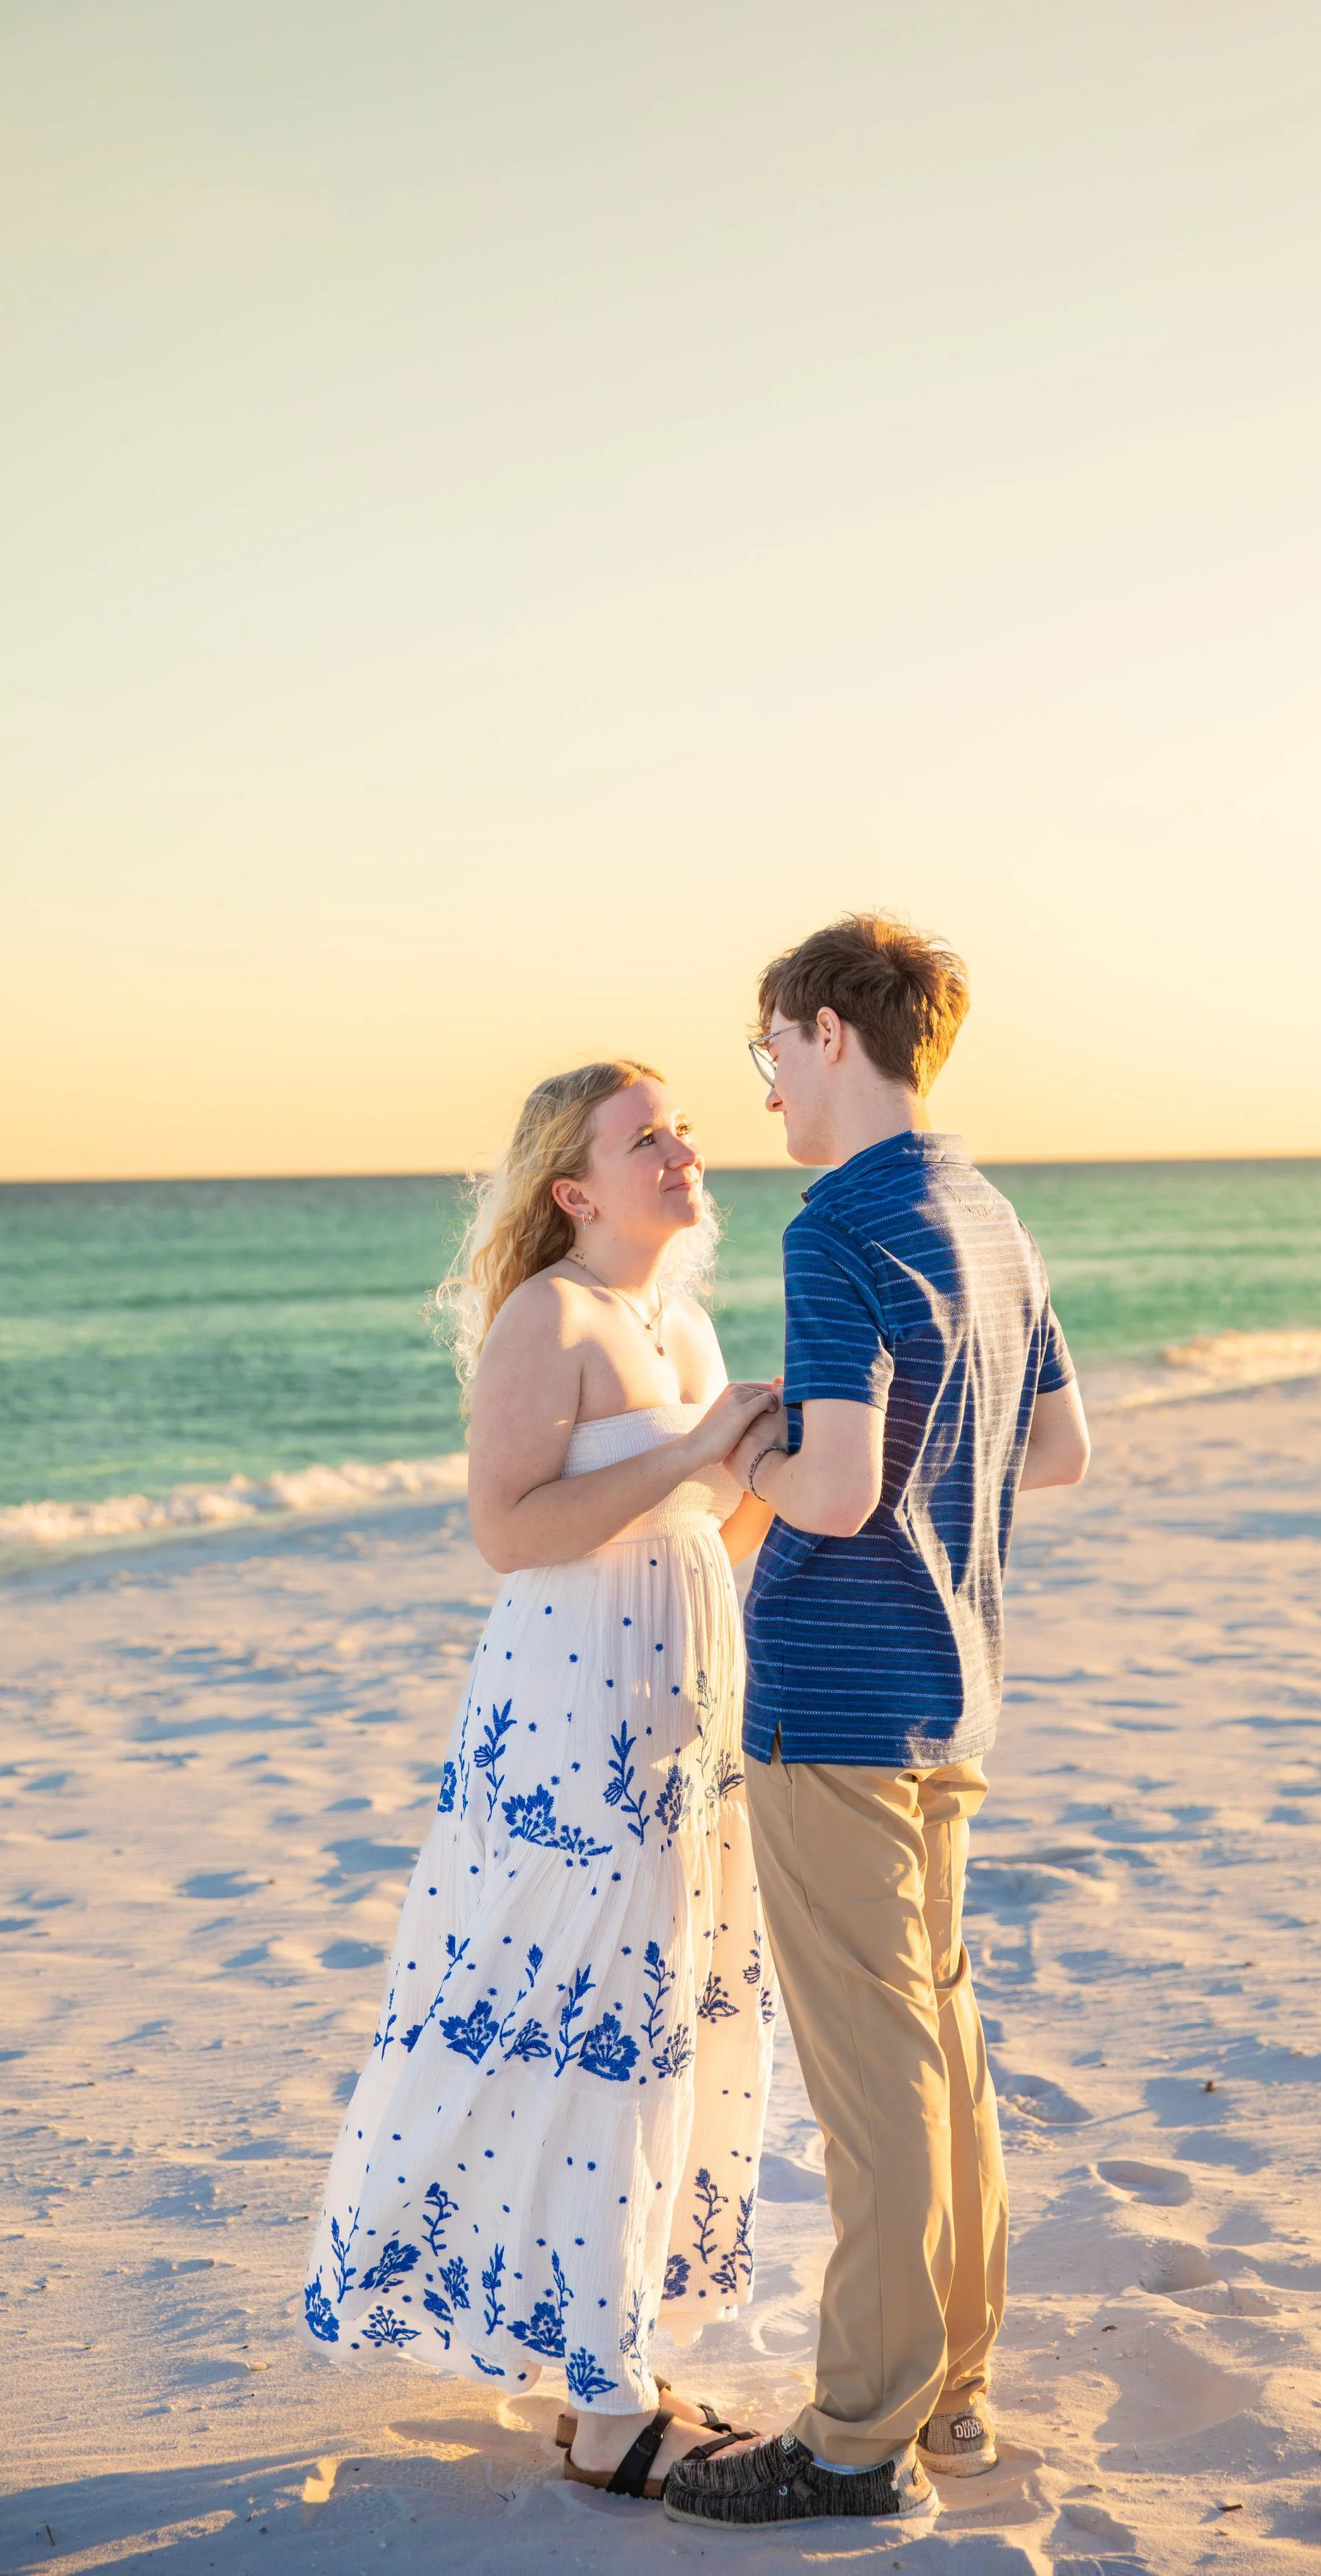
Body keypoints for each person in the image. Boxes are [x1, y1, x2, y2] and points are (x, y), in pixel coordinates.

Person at [661, 916, 1091, 2535]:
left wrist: (739, 1452)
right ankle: (954, 2392)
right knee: (942, 2051)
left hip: (830, 1702)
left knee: (874, 2080)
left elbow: (831, 1489)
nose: (763, 1087)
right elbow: (1056, 1452)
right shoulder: (984, 1212)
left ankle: (854, 2442)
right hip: (949, 1689)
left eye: (767, 1049)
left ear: (828, 1033)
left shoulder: (835, 1224)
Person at [301, 1060, 780, 2502]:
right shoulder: (547, 1317)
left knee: (669, 2018)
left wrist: (750, 1461)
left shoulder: (680, 1323)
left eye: (682, 1126)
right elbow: (508, 1532)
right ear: (574, 1189)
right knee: (584, 2018)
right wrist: (704, 1443)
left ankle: (600, 2350)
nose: (683, 1147)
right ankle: (606, 2398)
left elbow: (710, 1536)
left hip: (684, 1703)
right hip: (572, 1712)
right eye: (649, 1137)